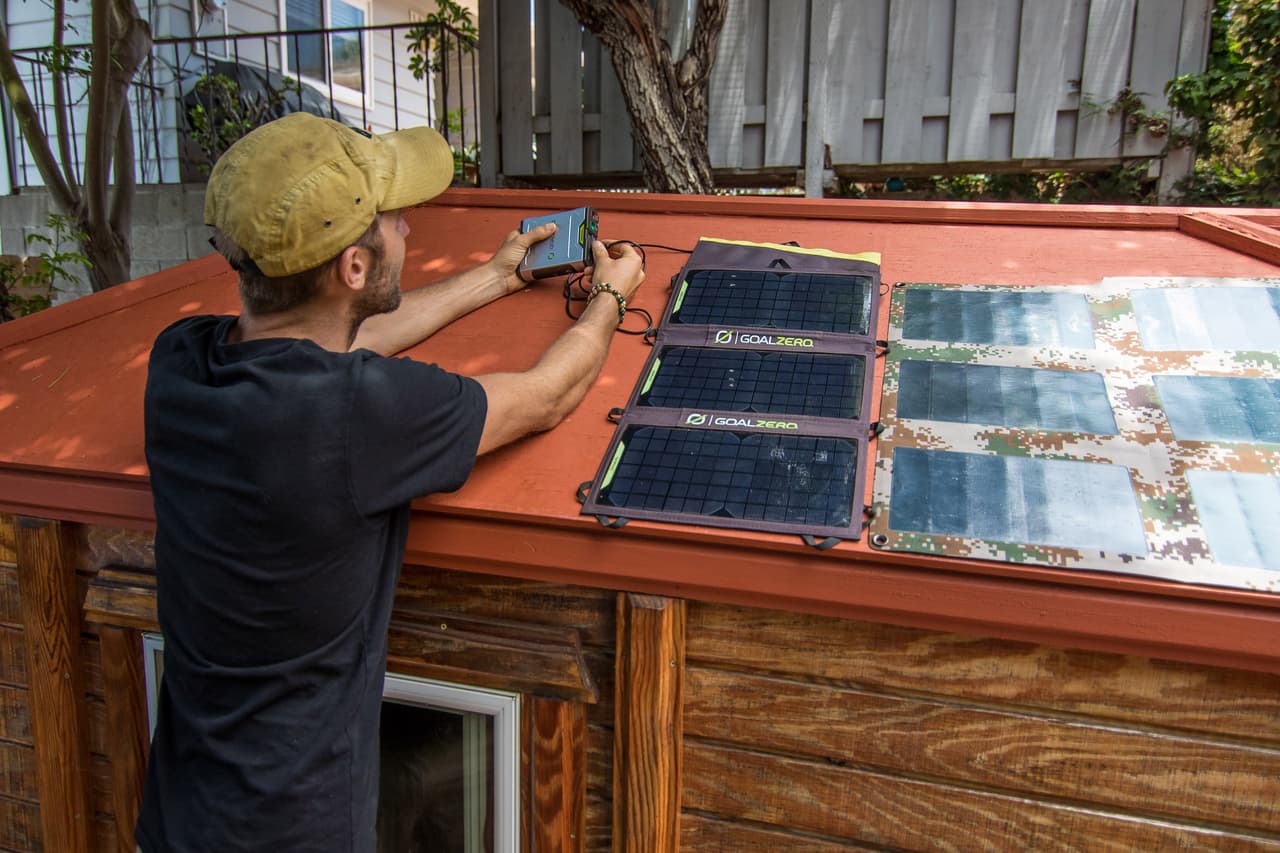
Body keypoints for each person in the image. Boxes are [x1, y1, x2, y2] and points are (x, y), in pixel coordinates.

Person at [136, 112, 644, 852]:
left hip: (179, 819)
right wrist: (612, 294)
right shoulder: (357, 416)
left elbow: (340, 340)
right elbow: (546, 396)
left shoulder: (178, 363)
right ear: (352, 267)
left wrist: (495, 278)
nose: (407, 227)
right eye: (392, 219)